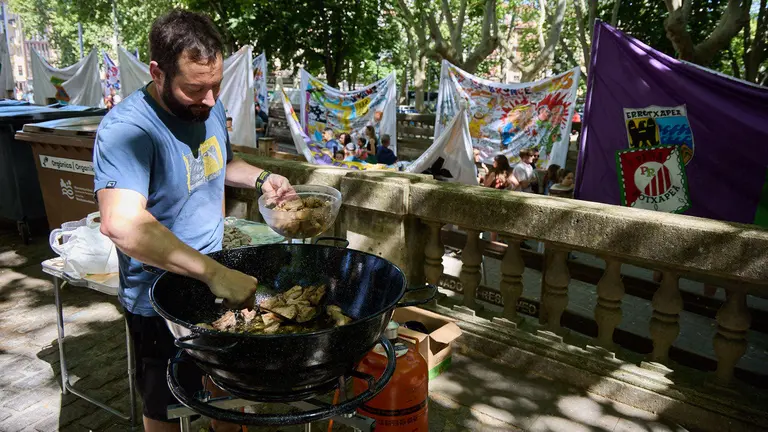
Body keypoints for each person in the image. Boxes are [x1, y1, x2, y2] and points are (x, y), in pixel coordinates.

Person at [92, 10, 294, 431]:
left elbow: (219, 162)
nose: (210, 99)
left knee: (228, 391)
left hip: (217, 278)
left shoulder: (208, 107)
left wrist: (263, 179)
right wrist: (215, 273)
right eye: (195, 88)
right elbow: (121, 223)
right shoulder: (127, 129)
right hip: (160, 299)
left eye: (216, 85)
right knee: (166, 408)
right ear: (157, 72)